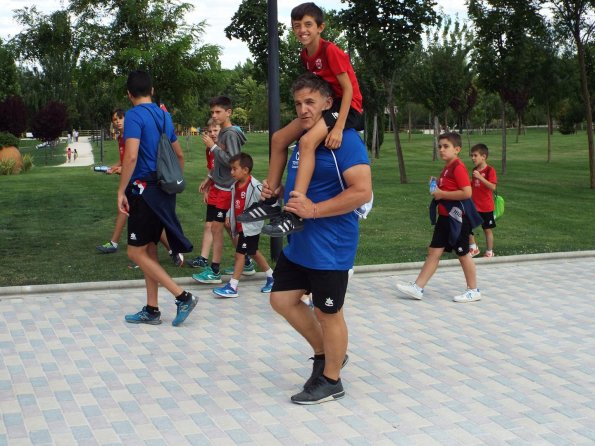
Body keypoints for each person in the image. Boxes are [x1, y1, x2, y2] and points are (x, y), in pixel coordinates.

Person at [268, 73, 372, 404]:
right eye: (298, 103)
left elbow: (362, 191)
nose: (303, 109)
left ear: (329, 103)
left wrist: (314, 210)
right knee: (281, 299)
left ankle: (331, 380)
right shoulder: (303, 140)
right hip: (300, 243)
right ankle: (326, 354)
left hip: (331, 246)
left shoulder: (346, 141)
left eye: (310, 102)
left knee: (330, 313)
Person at [238, 2, 364, 237]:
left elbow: (348, 91)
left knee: (307, 143)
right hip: (325, 106)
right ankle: (271, 198)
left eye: (308, 25)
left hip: (347, 107)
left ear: (320, 27)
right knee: (279, 138)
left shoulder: (331, 52)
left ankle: (295, 212)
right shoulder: (305, 55)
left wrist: (337, 127)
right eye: (297, 26)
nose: (302, 30)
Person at [118, 70, 197, 326]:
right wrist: (173, 182)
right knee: (149, 249)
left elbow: (130, 156)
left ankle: (182, 296)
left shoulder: (133, 116)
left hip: (144, 191)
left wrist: (121, 191)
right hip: (163, 190)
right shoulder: (164, 116)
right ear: (151, 90)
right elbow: (179, 155)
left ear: (129, 94)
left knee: (134, 252)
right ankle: (152, 309)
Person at [396, 132, 483, 304]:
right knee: (433, 252)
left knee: (463, 253)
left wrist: (442, 193)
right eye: (440, 146)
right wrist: (436, 187)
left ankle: (473, 290)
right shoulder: (447, 167)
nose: (441, 150)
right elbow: (446, 191)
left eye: (446, 146)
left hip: (457, 219)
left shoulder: (458, 167)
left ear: (457, 149)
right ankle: (418, 287)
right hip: (445, 218)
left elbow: (467, 192)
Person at [96, 108, 184, 267]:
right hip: (135, 180)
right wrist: (115, 167)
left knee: (151, 219)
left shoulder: (136, 131)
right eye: (115, 119)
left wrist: (122, 177)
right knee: (133, 213)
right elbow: (125, 159)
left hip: (142, 182)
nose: (117, 122)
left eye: (120, 118)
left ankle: (164, 255)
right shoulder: (123, 137)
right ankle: (129, 248)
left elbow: (133, 158)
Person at [191, 96, 247, 284]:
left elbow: (232, 161)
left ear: (228, 112)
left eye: (218, 112)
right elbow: (219, 165)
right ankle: (226, 266)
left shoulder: (229, 134)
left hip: (227, 188)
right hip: (219, 185)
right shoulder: (223, 132)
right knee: (217, 227)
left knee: (225, 228)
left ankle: (221, 269)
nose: (214, 116)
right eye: (212, 112)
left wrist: (213, 146)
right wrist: (210, 180)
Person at [211, 153, 274, 298]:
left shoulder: (256, 186)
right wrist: (228, 215)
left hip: (250, 228)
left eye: (234, 169)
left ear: (245, 170)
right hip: (241, 226)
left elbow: (268, 202)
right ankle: (272, 276)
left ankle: (232, 286)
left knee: (240, 254)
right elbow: (234, 203)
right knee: (253, 252)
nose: (231, 172)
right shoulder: (235, 186)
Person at [468, 143, 497, 258]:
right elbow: (474, 185)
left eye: (475, 155)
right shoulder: (474, 170)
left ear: (483, 157)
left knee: (487, 230)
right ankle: (473, 248)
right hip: (474, 206)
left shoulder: (490, 170)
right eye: (472, 155)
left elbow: (493, 187)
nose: (472, 158)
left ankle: (489, 252)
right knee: (466, 227)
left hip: (486, 206)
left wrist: (480, 177)